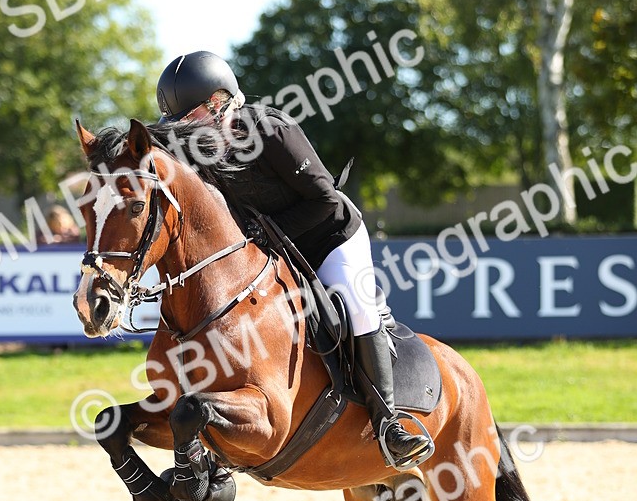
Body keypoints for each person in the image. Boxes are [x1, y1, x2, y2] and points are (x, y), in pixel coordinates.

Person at [156, 50, 433, 468]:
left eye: (189, 121)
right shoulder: (202, 150)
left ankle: (389, 422)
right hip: (273, 249)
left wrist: (261, 235)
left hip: (331, 237)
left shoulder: (271, 130)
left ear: (218, 103)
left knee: (356, 308)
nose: (184, 135)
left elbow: (322, 199)